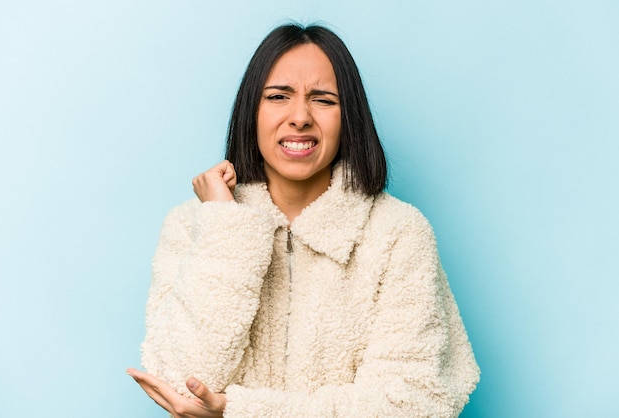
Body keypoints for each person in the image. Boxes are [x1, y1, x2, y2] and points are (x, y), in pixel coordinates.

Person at [127, 23, 480, 417]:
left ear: (350, 118)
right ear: (251, 112)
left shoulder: (398, 232)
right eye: (278, 96)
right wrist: (225, 228)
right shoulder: (193, 225)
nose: (300, 117)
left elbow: (412, 402)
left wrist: (242, 411)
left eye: (324, 100)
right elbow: (180, 384)